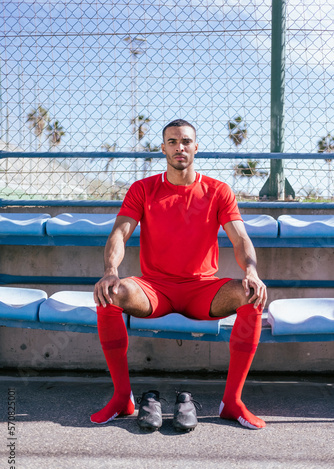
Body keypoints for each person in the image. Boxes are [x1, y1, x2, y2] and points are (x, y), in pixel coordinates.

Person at [91, 119, 267, 430]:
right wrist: (110, 271)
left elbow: (240, 237)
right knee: (110, 295)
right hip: (154, 290)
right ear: (163, 148)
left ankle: (232, 401)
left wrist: (251, 270)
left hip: (202, 290)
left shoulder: (218, 190)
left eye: (185, 141)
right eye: (172, 142)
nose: (179, 147)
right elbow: (120, 232)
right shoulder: (143, 189)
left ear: (196, 148)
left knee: (252, 294)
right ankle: (122, 398)